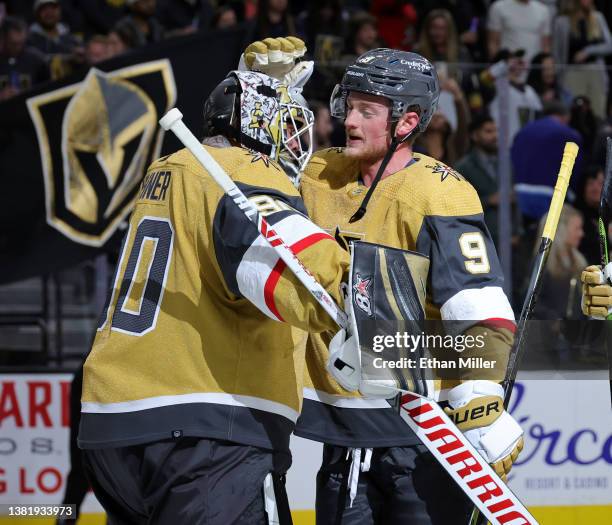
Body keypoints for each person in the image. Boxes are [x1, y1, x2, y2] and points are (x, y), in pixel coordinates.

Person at [241, 42, 523, 524]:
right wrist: (259, 92)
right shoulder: (319, 172)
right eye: (349, 107)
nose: (349, 121)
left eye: (366, 111)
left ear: (407, 123)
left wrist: (480, 393)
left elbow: (479, 304)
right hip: (347, 432)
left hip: (423, 433)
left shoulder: (440, 191)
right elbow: (242, 173)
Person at [78, 70, 352, 524]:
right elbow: (296, 272)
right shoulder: (242, 171)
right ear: (259, 126)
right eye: (287, 127)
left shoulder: (169, 167)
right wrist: (366, 299)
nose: (298, 141)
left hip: (113, 422)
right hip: (207, 430)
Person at [553, 0, 612, 119]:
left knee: (597, 113)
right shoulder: (562, 22)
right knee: (574, 114)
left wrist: (588, 51)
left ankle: (599, 138)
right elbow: (557, 53)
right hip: (572, 72)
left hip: (595, 71)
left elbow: (609, 46)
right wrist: (559, 79)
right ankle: (572, 138)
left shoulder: (597, 17)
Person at [0, 16, 50, 101]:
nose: (18, 47)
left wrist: (25, 94)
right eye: (13, 44)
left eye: (21, 43)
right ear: (3, 39)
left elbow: (47, 89)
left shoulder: (37, 59)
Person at [486, 0, 551, 64]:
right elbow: (493, 42)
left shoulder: (543, 10)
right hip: (507, 68)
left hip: (534, 70)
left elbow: (546, 45)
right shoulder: (498, 7)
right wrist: (496, 67)